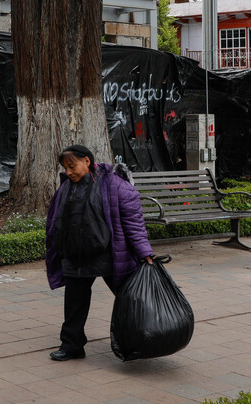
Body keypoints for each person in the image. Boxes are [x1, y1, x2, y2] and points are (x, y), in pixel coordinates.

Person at [44, 144, 154, 362]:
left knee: (130, 300)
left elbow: (134, 223)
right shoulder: (65, 188)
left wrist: (145, 253)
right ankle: (72, 346)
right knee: (74, 304)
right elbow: (55, 222)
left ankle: (144, 341)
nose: (68, 172)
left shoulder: (114, 185)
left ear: (87, 161)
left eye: (72, 166)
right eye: (65, 168)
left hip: (109, 254)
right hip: (75, 256)